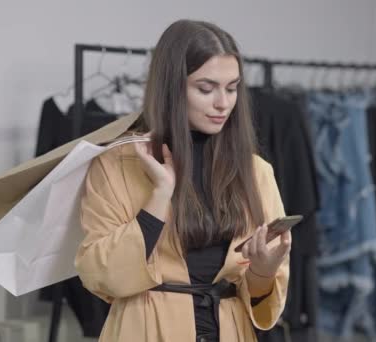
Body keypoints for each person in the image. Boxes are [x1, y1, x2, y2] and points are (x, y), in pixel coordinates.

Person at [75, 19, 290, 342]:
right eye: (206, 88)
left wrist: (262, 270)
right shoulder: (115, 165)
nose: (223, 103)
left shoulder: (256, 172)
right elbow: (100, 276)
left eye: (232, 88)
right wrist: (160, 195)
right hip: (146, 331)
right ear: (172, 87)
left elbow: (263, 302)